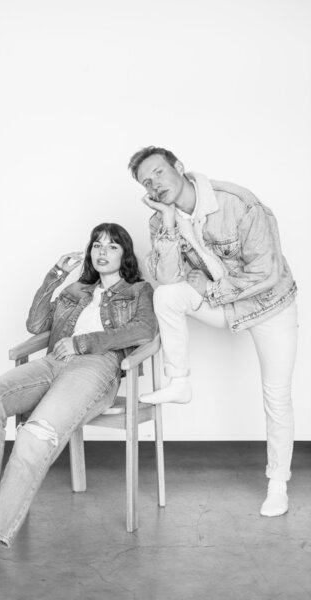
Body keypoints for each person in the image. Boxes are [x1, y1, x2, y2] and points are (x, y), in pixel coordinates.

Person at [0, 222, 157, 588]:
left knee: (35, 435)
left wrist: (84, 344)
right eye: (96, 245)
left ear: (125, 255)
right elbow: (36, 323)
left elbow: (144, 331)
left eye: (112, 247)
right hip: (52, 363)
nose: (102, 251)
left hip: (95, 368)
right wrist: (54, 276)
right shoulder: (77, 289)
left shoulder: (138, 290)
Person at [128, 146, 298, 518]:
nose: (154, 185)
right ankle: (179, 380)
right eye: (146, 182)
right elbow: (170, 280)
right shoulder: (160, 220)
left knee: (277, 395)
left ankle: (277, 483)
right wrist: (169, 220)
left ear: (180, 168)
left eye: (158, 173)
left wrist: (209, 291)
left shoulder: (238, 203)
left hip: (270, 304)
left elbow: (265, 273)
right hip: (225, 304)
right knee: (168, 296)